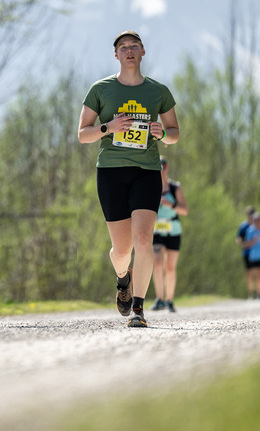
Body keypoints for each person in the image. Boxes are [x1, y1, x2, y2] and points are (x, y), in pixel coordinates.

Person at [78, 30, 179, 328]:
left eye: (134, 46)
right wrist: (108, 127)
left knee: (144, 239)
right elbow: (83, 134)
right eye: (123, 47)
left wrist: (164, 133)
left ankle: (138, 308)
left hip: (146, 171)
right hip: (110, 172)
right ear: (116, 55)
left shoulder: (158, 92)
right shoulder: (101, 89)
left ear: (143, 52)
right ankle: (123, 278)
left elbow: (175, 133)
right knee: (122, 251)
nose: (129, 51)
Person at [150, 156, 187, 312]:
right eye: (158, 167)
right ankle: (160, 298)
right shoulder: (150, 187)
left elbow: (184, 211)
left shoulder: (174, 188)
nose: (161, 170)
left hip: (173, 228)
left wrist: (170, 204)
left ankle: (170, 300)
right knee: (157, 264)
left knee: (170, 267)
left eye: (163, 167)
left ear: (167, 168)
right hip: (157, 228)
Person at [236, 206, 256, 297]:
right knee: (249, 273)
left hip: (257, 252)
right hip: (247, 252)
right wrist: (242, 243)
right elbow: (238, 238)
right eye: (249, 215)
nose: (251, 216)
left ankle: (259, 291)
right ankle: (251, 293)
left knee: (257, 272)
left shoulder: (257, 225)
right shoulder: (243, 226)